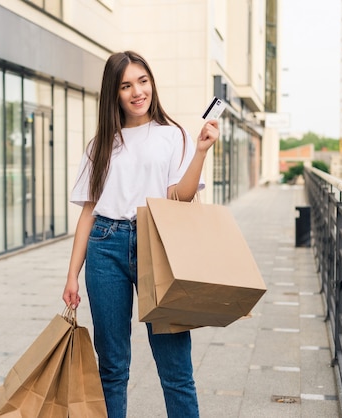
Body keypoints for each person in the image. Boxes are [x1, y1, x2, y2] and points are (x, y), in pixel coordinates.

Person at [62, 50, 219, 418]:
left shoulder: (173, 135)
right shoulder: (101, 144)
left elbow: (178, 198)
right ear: (113, 93)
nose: (137, 92)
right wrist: (72, 275)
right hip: (105, 249)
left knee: (176, 367)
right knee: (112, 366)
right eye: (126, 85)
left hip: (157, 243)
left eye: (143, 81)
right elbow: (88, 212)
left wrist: (200, 152)